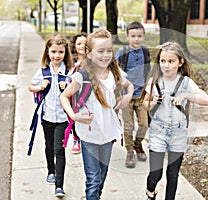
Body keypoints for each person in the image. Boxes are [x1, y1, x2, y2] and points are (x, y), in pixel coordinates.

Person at [60, 29, 134, 200]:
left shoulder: (116, 73)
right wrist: (74, 115)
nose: (106, 55)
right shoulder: (82, 75)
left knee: (102, 176)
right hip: (89, 134)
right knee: (93, 180)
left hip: (108, 135)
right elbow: (64, 96)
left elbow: (130, 86)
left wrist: (127, 97)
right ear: (89, 53)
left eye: (109, 50)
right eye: (100, 51)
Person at [141, 41, 208, 200]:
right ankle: (150, 192)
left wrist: (186, 96)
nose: (166, 65)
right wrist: (153, 102)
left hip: (178, 133)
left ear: (180, 62)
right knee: (155, 174)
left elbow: (206, 100)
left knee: (173, 175)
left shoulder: (186, 82)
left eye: (171, 61)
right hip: (158, 131)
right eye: (162, 61)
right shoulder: (155, 80)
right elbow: (145, 104)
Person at [28, 33, 73, 197]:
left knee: (59, 149)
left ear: (65, 53)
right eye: (53, 52)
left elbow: (77, 90)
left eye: (60, 52)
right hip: (47, 116)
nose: (57, 55)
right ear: (48, 52)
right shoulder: (43, 71)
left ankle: (59, 186)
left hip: (63, 117)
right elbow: (30, 86)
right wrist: (40, 86)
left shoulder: (69, 72)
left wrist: (67, 86)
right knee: (49, 145)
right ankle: (50, 171)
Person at [115, 21, 151, 168]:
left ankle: (138, 144)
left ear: (143, 37)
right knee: (128, 126)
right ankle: (130, 151)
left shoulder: (145, 51)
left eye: (139, 36)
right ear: (127, 36)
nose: (136, 39)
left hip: (141, 96)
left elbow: (148, 71)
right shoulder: (122, 52)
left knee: (144, 124)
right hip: (126, 96)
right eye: (133, 36)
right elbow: (114, 70)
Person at [69, 32, 88, 154]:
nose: (82, 46)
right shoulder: (71, 63)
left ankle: (86, 138)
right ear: (74, 46)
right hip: (74, 95)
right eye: (79, 44)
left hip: (87, 94)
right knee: (74, 117)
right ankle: (76, 139)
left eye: (85, 44)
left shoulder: (92, 61)